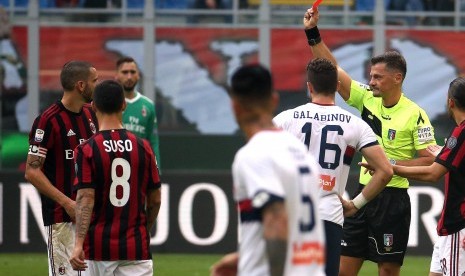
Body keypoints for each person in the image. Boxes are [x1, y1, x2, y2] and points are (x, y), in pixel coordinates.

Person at [303, 7, 437, 276]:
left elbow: (432, 159)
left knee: (387, 271)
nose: (371, 81)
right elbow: (333, 71)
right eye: (371, 75)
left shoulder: (415, 114)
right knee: (343, 270)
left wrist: (392, 164)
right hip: (363, 193)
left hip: (393, 200)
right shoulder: (367, 98)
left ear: (397, 78)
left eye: (377, 77)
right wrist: (313, 33)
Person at [273, 58, 393, 276]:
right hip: (329, 215)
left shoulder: (285, 120)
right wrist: (355, 204)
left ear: (309, 86)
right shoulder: (356, 125)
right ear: (338, 86)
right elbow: (385, 171)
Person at [210, 64, 326, 276]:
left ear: (234, 106)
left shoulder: (253, 154)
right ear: (274, 100)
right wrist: (246, 258)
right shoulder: (300, 152)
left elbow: (277, 219)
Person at [360, 77, 465, 276]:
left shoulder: (462, 132)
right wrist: (444, 155)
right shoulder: (458, 134)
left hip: (458, 226)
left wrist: (388, 167)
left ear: (450, 102)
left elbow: (432, 173)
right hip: (448, 229)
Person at [69, 80, 162, 275]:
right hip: (136, 249)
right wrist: (143, 230)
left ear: (93, 106)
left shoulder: (86, 149)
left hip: (97, 249)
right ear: (124, 105)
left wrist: (78, 244)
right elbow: (155, 199)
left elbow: (85, 197)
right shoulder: (144, 147)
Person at [24, 60, 99, 276]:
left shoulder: (91, 115)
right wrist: (67, 202)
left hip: (92, 217)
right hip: (62, 220)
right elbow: (32, 171)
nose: (98, 85)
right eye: (95, 81)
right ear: (81, 85)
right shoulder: (48, 120)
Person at [115, 56, 161, 171]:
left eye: (132, 72)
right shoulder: (109, 101)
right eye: (125, 72)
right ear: (117, 75)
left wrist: (156, 169)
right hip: (114, 164)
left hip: (140, 167)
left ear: (138, 75)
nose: (129, 76)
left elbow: (153, 141)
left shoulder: (148, 105)